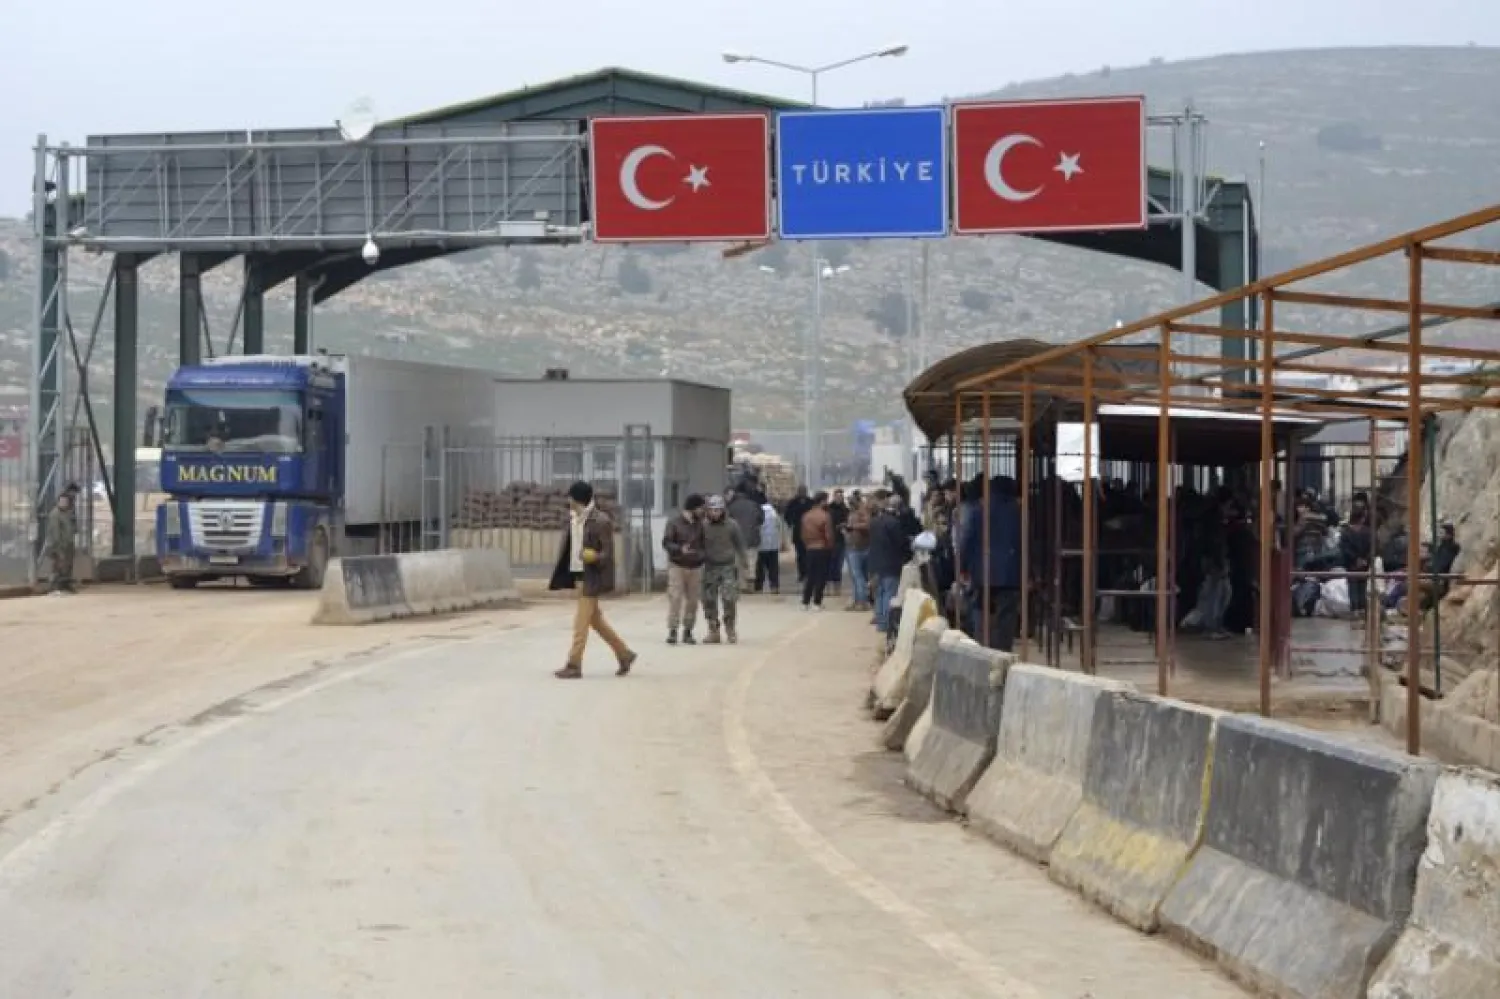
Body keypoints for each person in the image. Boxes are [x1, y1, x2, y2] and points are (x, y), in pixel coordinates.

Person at [548, 480, 637, 679]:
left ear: (577, 498)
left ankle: (574, 664)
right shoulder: (573, 518)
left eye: (570, 496)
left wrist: (593, 556)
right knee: (595, 621)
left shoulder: (601, 521)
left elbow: (608, 554)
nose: (567, 499)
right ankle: (624, 654)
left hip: (593, 577)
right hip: (579, 576)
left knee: (580, 623)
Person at [959, 476, 1023, 652]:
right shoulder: (1018, 512)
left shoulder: (979, 510)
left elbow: (968, 540)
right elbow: (1024, 542)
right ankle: (1002, 651)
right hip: (1010, 572)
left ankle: (982, 646)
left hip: (982, 571)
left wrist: (963, 567)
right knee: (1006, 614)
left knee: (981, 608)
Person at [701, 495, 750, 643]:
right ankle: (713, 630)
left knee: (729, 599)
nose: (715, 513)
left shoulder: (732, 525)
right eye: (712, 510)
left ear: (723, 510)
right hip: (709, 567)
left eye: (718, 510)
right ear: (708, 511)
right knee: (708, 600)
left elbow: (740, 544)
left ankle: (730, 628)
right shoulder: (703, 526)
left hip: (728, 566)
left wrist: (744, 562)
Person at [661, 493, 707, 645]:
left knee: (693, 601)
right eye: (700, 508)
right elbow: (666, 542)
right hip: (677, 565)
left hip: (696, 566)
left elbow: (704, 544)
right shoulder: (674, 523)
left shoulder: (701, 524)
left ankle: (688, 630)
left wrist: (701, 555)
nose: (703, 511)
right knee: (675, 597)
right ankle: (673, 630)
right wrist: (679, 549)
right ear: (692, 508)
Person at [867, 495, 912, 632]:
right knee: (889, 592)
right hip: (891, 562)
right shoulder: (894, 523)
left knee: (879, 592)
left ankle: (880, 621)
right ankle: (887, 623)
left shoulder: (874, 522)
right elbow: (901, 543)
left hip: (875, 563)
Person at [799, 490, 835, 611]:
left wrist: (807, 544)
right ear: (823, 501)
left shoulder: (806, 515)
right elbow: (828, 534)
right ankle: (817, 601)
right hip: (822, 547)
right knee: (821, 575)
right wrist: (830, 546)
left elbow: (803, 534)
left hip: (810, 547)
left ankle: (805, 601)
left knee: (810, 575)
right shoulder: (825, 516)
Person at [43, 485, 80, 596]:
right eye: (62, 501)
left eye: (66, 501)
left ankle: (65, 586)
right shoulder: (55, 514)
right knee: (58, 566)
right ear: (58, 501)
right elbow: (55, 533)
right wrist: (58, 548)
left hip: (67, 544)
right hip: (59, 545)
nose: (64, 503)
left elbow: (71, 528)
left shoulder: (67, 513)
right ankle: (54, 587)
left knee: (67, 566)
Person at [726, 487, 764, 586]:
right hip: (752, 537)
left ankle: (742, 584)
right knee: (751, 559)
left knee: (739, 562)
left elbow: (727, 522)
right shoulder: (754, 505)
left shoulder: (731, 507)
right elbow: (761, 519)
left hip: (736, 539)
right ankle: (751, 578)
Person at [843, 493, 872, 612]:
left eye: (852, 501)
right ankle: (857, 600)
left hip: (859, 548)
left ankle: (862, 601)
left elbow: (867, 525)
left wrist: (852, 527)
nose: (850, 503)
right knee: (857, 577)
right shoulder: (852, 513)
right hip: (853, 547)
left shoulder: (862, 512)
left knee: (858, 576)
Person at [784, 485, 813, 582]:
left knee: (809, 554)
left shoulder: (810, 502)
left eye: (804, 491)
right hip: (798, 531)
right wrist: (790, 523)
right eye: (801, 491)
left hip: (810, 532)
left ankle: (809, 573)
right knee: (800, 555)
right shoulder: (793, 503)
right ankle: (802, 574)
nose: (802, 493)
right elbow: (787, 515)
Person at [755, 498, 783, 595]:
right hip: (773, 545)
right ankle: (774, 586)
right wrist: (781, 541)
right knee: (773, 567)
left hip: (760, 546)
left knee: (759, 568)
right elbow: (780, 526)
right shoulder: (774, 514)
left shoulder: (757, 512)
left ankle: (758, 587)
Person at [826, 488, 849, 596]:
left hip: (841, 540)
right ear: (834, 497)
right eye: (837, 496)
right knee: (830, 564)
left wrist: (844, 526)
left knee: (838, 565)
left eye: (841, 496)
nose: (839, 498)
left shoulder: (845, 509)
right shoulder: (828, 509)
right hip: (830, 539)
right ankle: (829, 588)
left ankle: (837, 589)